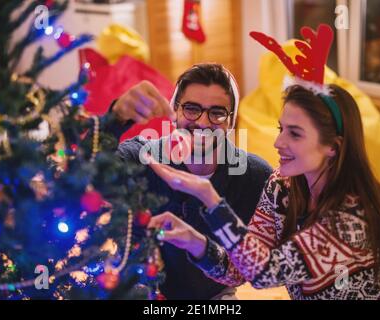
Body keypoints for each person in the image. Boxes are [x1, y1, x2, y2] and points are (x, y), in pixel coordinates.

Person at [147, 83, 380, 299]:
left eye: (295, 134)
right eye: (281, 129)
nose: (278, 142)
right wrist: (194, 241)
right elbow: (242, 268)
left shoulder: (355, 217)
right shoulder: (281, 186)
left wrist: (210, 199)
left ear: (333, 147)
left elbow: (266, 272)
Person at [108, 63, 272, 299]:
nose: (203, 123)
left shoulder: (254, 176)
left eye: (217, 113)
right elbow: (86, 170)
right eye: (192, 109)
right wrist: (116, 117)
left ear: (232, 122)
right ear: (174, 111)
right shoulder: (143, 158)